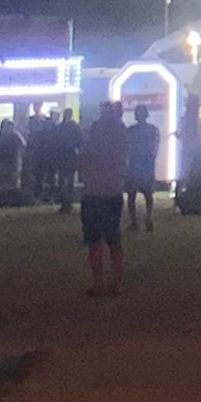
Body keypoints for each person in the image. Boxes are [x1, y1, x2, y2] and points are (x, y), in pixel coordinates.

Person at [77, 99, 130, 298]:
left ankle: (102, 282)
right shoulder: (120, 134)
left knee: (97, 240)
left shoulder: (95, 134)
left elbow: (83, 159)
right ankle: (112, 282)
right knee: (111, 238)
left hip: (96, 191)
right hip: (109, 191)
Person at [124, 105, 160, 233]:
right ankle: (147, 219)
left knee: (133, 194)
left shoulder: (131, 130)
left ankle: (136, 221)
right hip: (145, 164)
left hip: (136, 164)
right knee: (146, 194)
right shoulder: (152, 130)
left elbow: (127, 147)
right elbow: (155, 147)